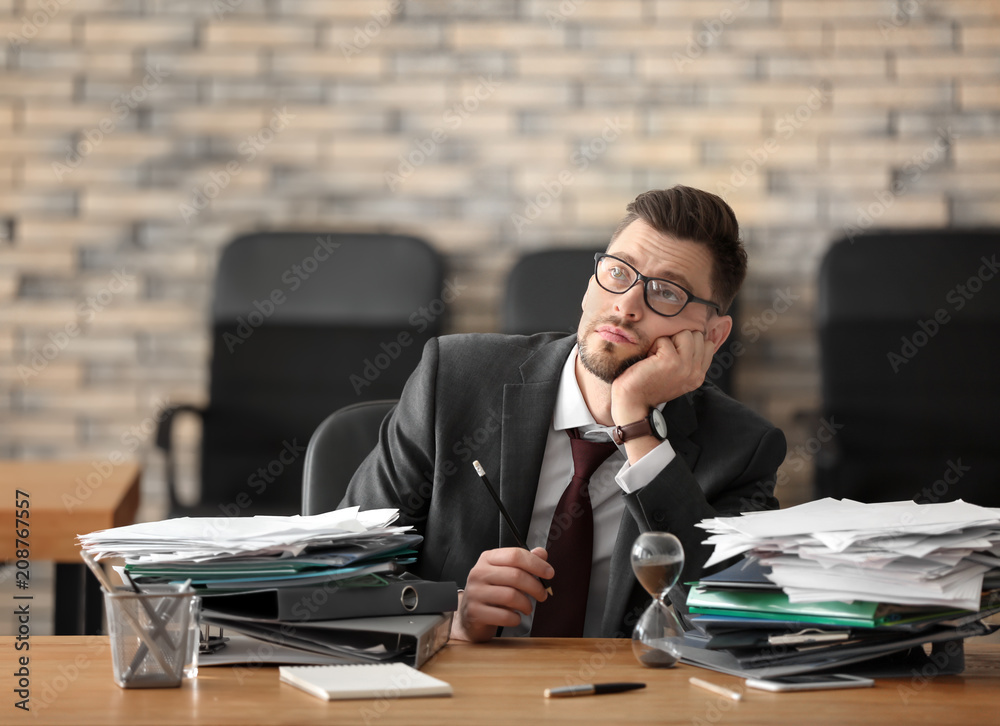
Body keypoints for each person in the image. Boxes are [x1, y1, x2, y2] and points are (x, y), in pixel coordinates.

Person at [340, 185, 786, 642]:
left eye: (666, 293)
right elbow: (341, 578)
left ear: (712, 335)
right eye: (617, 272)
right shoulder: (453, 380)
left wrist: (635, 422)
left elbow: (736, 623)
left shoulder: (743, 449)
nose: (627, 305)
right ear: (591, 283)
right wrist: (448, 616)